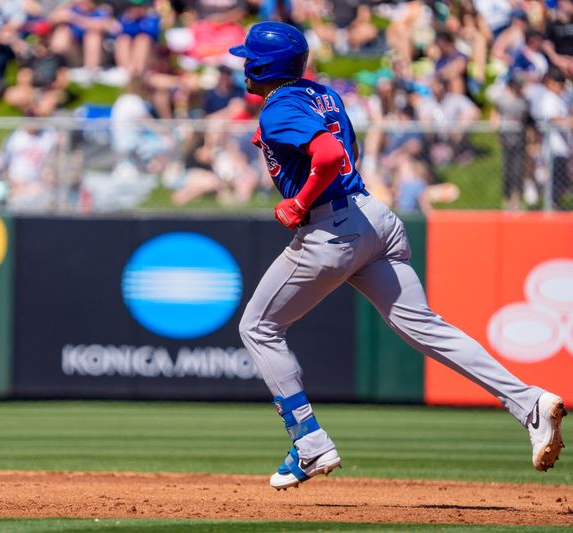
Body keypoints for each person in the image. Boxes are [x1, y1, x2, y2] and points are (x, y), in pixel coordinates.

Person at [229, 21, 566, 491]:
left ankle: (309, 440)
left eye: (248, 59)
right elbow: (345, 148)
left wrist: (300, 201)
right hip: (373, 217)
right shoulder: (320, 95)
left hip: (331, 227)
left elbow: (326, 154)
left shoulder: (279, 108)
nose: (242, 65)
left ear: (264, 66)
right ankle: (528, 402)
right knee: (427, 327)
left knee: (258, 327)